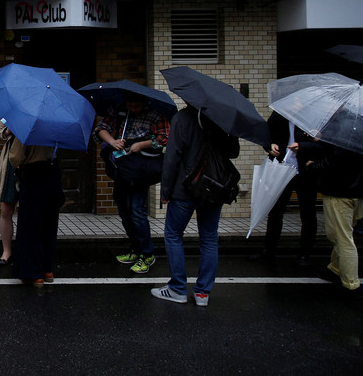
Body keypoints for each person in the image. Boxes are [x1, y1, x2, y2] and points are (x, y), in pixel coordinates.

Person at [152, 105, 239, 306]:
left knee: (173, 234)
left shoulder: (182, 117)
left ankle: (177, 289)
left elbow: (172, 156)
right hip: (215, 187)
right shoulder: (222, 117)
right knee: (209, 238)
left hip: (186, 187)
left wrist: (165, 191)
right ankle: (202, 294)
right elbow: (233, 152)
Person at [94, 92, 170, 274]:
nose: (133, 109)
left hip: (141, 170)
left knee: (136, 209)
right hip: (123, 168)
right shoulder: (119, 111)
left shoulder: (155, 115)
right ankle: (136, 248)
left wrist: (141, 145)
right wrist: (113, 141)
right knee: (124, 209)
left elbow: (164, 138)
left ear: (145, 102)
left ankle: (147, 253)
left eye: (137, 106)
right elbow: (100, 129)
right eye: (130, 105)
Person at [292, 138, 363, 296]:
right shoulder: (356, 128)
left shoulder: (342, 131)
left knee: (341, 238)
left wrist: (313, 165)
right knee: (344, 232)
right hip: (357, 190)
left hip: (340, 191)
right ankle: (335, 269)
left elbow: (336, 159)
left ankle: (351, 283)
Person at [250, 112, 317, 266]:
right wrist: (269, 146)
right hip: (282, 168)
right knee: (275, 211)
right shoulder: (279, 115)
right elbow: (267, 135)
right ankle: (269, 250)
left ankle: (305, 253)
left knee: (307, 213)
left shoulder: (312, 117)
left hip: (306, 170)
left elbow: (322, 144)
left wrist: (302, 146)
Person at [10, 135, 64, 287]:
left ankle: (33, 273)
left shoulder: (27, 131)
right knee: (49, 224)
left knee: (31, 225)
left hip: (34, 175)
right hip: (53, 175)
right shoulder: (55, 129)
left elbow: (16, 157)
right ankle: (48, 270)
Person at [0, 119, 18, 266]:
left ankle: (26, 251)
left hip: (32, 164)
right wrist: (9, 130)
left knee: (30, 213)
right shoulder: (9, 112)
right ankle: (6, 252)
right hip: (11, 165)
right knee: (6, 209)